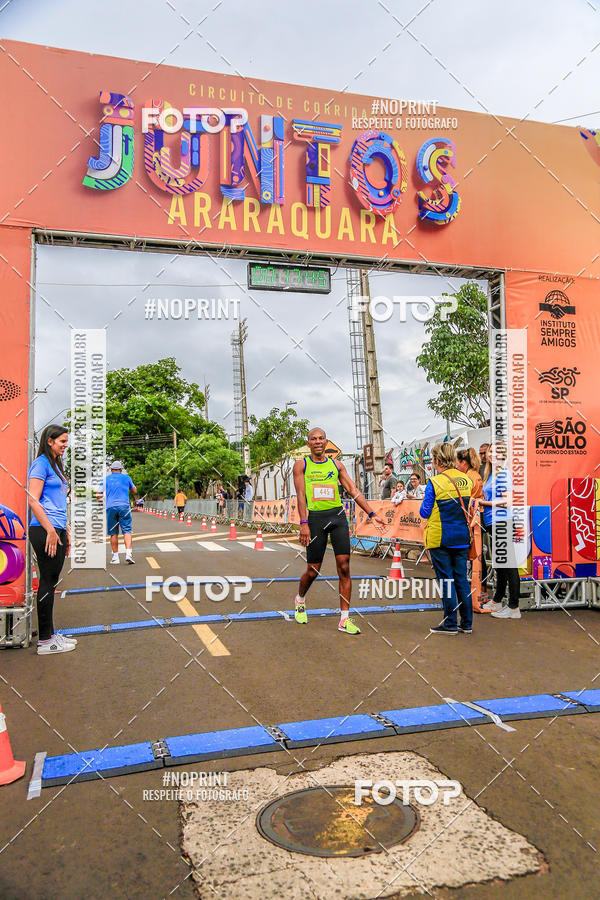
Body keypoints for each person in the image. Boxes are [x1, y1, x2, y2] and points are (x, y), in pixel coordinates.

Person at [293, 427, 386, 635]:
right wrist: (304, 522)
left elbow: (353, 490)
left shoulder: (336, 465)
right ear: (308, 443)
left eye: (321, 438)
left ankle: (344, 619)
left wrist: (372, 514)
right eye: (313, 439)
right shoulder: (302, 465)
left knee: (344, 567)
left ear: (326, 442)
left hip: (337, 517)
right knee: (313, 570)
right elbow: (300, 495)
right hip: (315, 519)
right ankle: (300, 599)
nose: (317, 441)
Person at [27, 424, 77, 655]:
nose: (65, 445)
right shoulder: (41, 464)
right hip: (44, 529)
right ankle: (45, 641)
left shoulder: (55, 465)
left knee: (51, 580)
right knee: (47, 582)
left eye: (66, 441)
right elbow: (33, 500)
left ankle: (50, 634)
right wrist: (50, 530)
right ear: (49, 440)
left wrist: (63, 526)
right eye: (62, 441)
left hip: (56, 527)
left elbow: (56, 501)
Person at [419, 442, 473, 634]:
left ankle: (450, 623)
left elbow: (424, 512)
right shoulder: (466, 480)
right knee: (461, 580)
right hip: (462, 537)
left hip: (440, 537)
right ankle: (467, 623)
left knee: (446, 580)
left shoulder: (435, 482)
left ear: (437, 460)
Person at [477, 442, 521, 619]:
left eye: (496, 452)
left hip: (501, 521)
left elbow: (507, 501)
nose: (491, 455)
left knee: (508, 564)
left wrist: (484, 503)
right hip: (493, 522)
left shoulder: (503, 474)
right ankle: (497, 601)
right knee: (500, 564)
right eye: (490, 452)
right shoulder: (490, 474)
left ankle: (514, 607)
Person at [102, 461, 137, 564]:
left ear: (111, 470)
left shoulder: (106, 479)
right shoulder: (127, 478)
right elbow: (134, 490)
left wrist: (103, 502)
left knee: (113, 533)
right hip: (124, 507)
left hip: (111, 507)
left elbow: (98, 494)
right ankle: (128, 554)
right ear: (121, 470)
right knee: (127, 531)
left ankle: (115, 558)